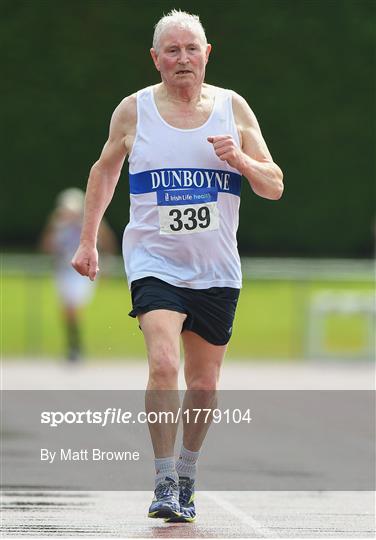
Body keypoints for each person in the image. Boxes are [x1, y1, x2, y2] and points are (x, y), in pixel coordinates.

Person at [72, 10, 283, 522]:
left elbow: (273, 185)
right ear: (156, 59)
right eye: (172, 50)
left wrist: (242, 160)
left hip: (216, 269)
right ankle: (164, 478)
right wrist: (87, 243)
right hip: (154, 261)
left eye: (191, 49)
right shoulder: (134, 110)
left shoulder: (233, 109)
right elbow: (104, 173)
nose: (182, 59)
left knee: (205, 385)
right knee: (165, 364)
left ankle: (188, 471)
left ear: (207, 54)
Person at [41, 187, 117, 361]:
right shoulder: (59, 226)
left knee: (74, 308)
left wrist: (108, 264)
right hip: (64, 271)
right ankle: (74, 345)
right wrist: (53, 226)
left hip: (82, 272)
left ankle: (75, 347)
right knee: (66, 311)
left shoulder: (90, 223)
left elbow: (107, 240)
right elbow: (46, 247)